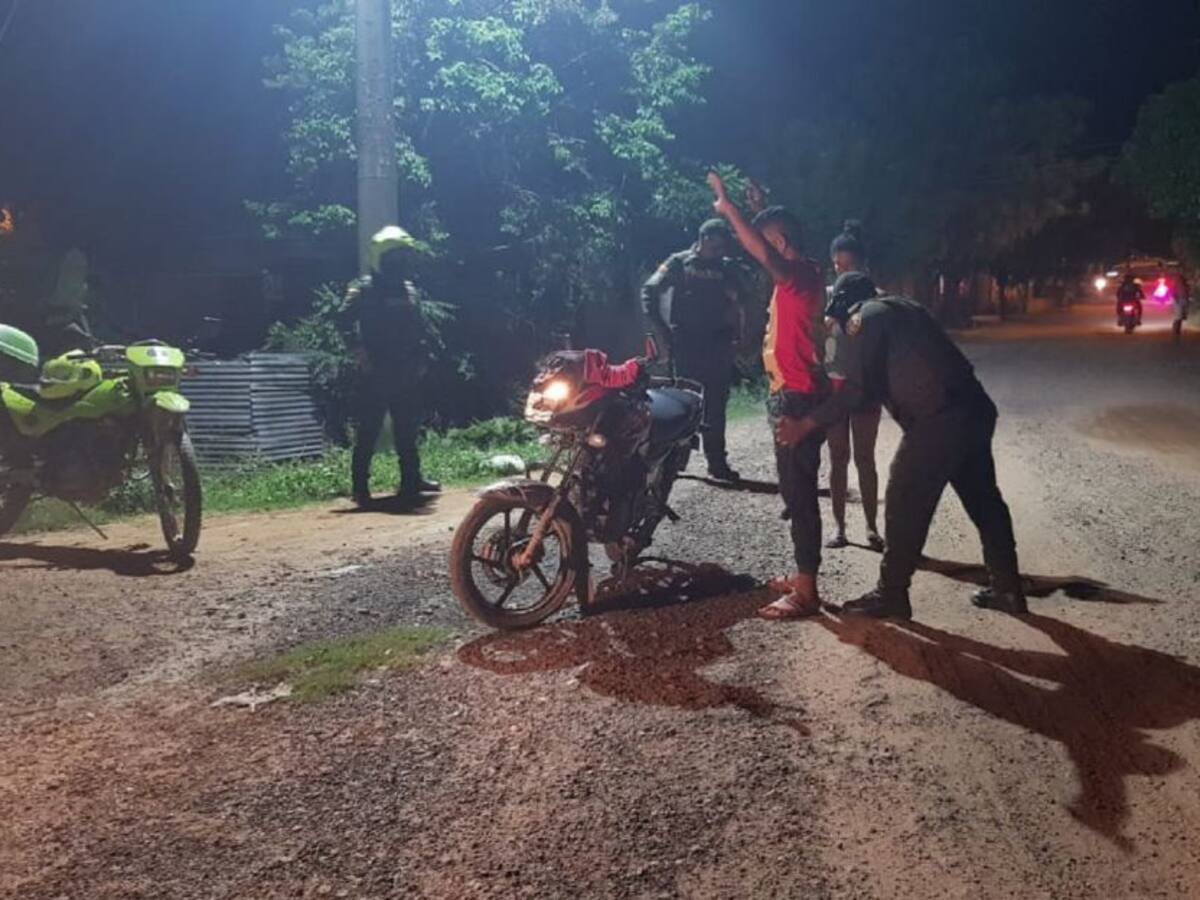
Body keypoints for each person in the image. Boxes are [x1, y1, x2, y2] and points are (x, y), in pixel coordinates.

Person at [777, 273, 1025, 620]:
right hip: (975, 410)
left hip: (936, 421)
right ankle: (1007, 588)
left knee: (903, 499)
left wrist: (805, 424)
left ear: (846, 304)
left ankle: (891, 595)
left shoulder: (862, 319)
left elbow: (856, 391)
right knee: (985, 500)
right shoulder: (907, 307)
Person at [707, 172, 828, 619]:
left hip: (796, 399)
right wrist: (758, 206)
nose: (759, 245)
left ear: (780, 242)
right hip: (794, 393)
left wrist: (728, 207)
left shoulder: (795, 276)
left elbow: (758, 248)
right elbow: (767, 241)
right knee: (795, 496)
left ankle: (807, 592)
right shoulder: (806, 272)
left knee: (800, 498)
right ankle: (803, 579)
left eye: (766, 238)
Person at [341, 225, 441, 507]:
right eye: (397, 256)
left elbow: (421, 327)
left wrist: (424, 357)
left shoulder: (410, 289)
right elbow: (342, 321)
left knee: (407, 429)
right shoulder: (362, 289)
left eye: (405, 256)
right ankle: (360, 488)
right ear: (381, 257)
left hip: (407, 369)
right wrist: (358, 352)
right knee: (368, 430)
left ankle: (412, 482)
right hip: (376, 370)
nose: (403, 262)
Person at [642, 218, 745, 482]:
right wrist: (663, 332)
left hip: (718, 346)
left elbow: (743, 302)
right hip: (685, 344)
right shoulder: (678, 263)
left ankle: (717, 462)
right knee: (682, 404)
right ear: (703, 239)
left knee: (715, 406)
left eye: (723, 248)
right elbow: (650, 290)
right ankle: (673, 461)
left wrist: (739, 335)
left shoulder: (727, 269)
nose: (719, 253)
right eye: (716, 247)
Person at [824, 221, 883, 551]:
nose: (841, 271)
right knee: (837, 457)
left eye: (847, 265)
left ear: (860, 264)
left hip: (865, 389)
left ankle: (873, 528)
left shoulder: (876, 299)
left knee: (865, 458)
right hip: (833, 388)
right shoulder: (826, 299)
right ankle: (839, 527)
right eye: (837, 265)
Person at [1173, 273, 1191, 342]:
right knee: (1179, 315)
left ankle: (1177, 329)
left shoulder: (1185, 285)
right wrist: (1176, 299)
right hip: (1179, 300)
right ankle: (1176, 329)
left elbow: (1188, 292)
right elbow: (1174, 293)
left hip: (1183, 300)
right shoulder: (1177, 285)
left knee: (1182, 315)